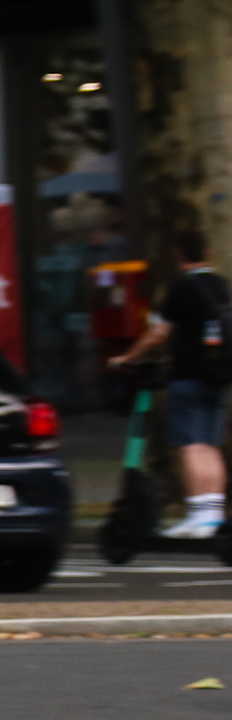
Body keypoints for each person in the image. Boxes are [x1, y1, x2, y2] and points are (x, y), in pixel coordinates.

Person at [112, 229, 230, 538]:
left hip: (187, 377)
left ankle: (196, 515)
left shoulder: (181, 288)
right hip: (217, 376)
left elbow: (158, 333)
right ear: (207, 253)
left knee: (190, 447)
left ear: (179, 255)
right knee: (211, 446)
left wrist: (126, 357)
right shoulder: (221, 285)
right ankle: (214, 514)